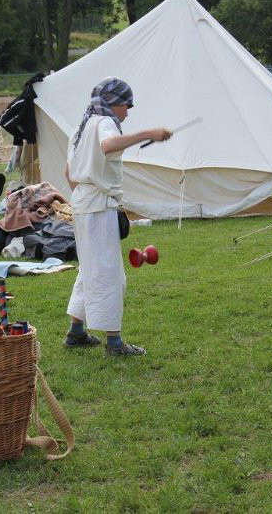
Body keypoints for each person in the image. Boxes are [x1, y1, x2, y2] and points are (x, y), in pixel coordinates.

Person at [63, 77, 171, 356]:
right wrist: (148, 133)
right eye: (127, 105)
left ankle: (76, 331)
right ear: (113, 103)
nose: (128, 112)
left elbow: (68, 172)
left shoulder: (80, 128)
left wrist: (85, 198)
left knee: (90, 269)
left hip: (83, 203)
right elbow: (109, 146)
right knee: (110, 273)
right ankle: (114, 342)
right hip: (96, 207)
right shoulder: (104, 122)